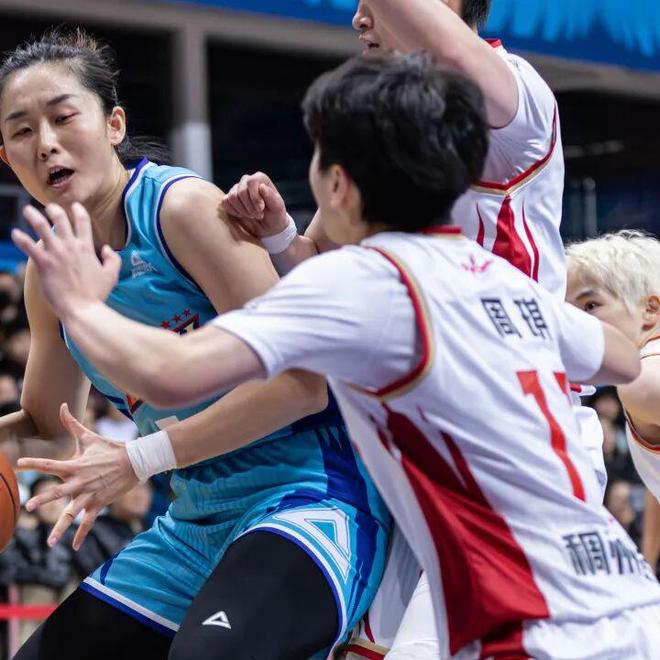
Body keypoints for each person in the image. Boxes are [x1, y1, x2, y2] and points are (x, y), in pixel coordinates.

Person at [15, 51, 660, 659]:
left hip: (480, 584)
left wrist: (85, 312)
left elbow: (179, 372)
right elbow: (619, 359)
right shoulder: (493, 281)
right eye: (21, 130)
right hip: (614, 589)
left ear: (338, 185)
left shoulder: (353, 282)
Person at [220, 1, 599, 656]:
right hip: (410, 445)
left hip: (510, 443)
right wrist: (279, 231)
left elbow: (450, 53)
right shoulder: (382, 137)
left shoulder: (516, 96)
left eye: (375, 5)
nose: (359, 20)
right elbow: (318, 266)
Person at [0, 28, 389, 660]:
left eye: (63, 118)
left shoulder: (181, 210)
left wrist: (140, 458)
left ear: (114, 126)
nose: (44, 143)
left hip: (307, 497)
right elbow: (48, 427)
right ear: (7, 157)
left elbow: (302, 386)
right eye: (22, 131)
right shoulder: (48, 280)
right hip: (194, 524)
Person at [566, 231, 660, 576]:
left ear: (649, 309)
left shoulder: (643, 378)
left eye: (590, 305)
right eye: (566, 310)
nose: (572, 322)